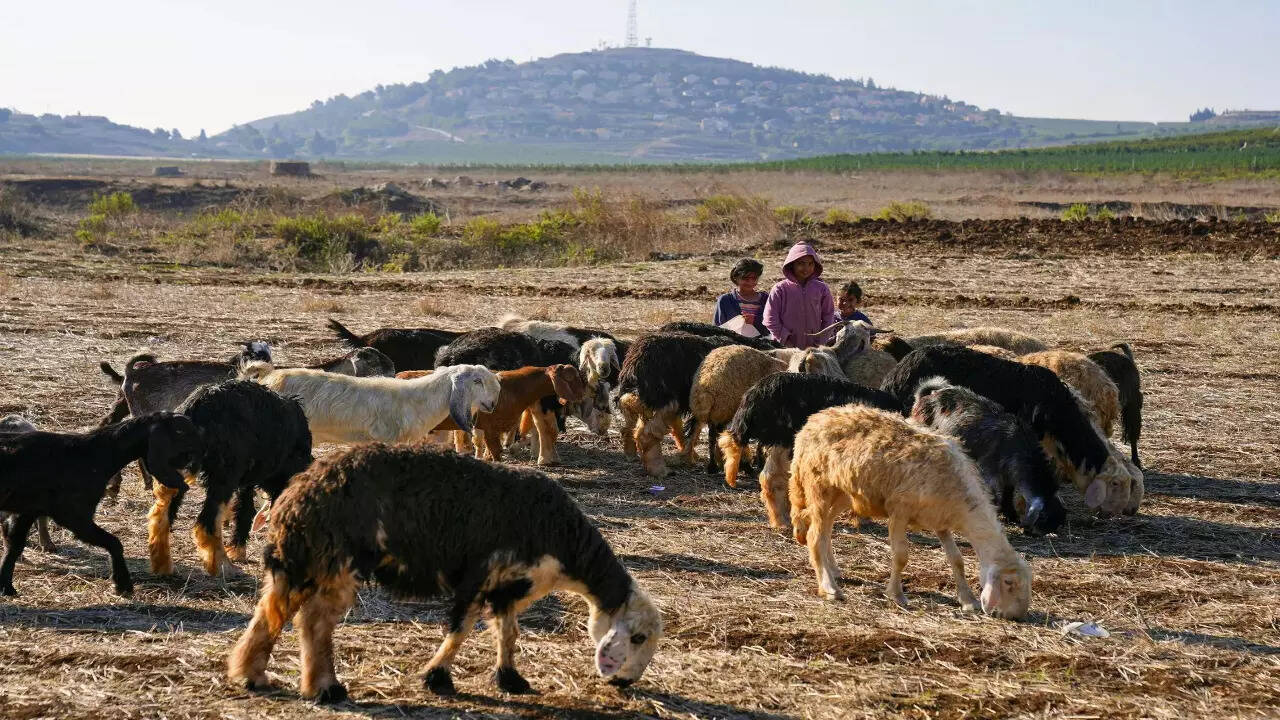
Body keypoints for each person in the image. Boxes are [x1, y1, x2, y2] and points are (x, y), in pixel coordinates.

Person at [763, 242, 835, 349]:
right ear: (792, 264)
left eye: (810, 264)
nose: (806, 268)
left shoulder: (822, 289)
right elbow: (770, 319)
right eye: (801, 263)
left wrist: (820, 342)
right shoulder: (780, 289)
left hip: (813, 348)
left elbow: (828, 317)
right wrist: (785, 340)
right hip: (785, 349)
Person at [713, 258, 770, 338]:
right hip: (733, 346)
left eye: (754, 278)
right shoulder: (725, 300)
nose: (750, 282)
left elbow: (773, 325)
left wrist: (755, 320)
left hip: (763, 346)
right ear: (735, 277)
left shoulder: (766, 299)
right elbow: (717, 329)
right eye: (746, 278)